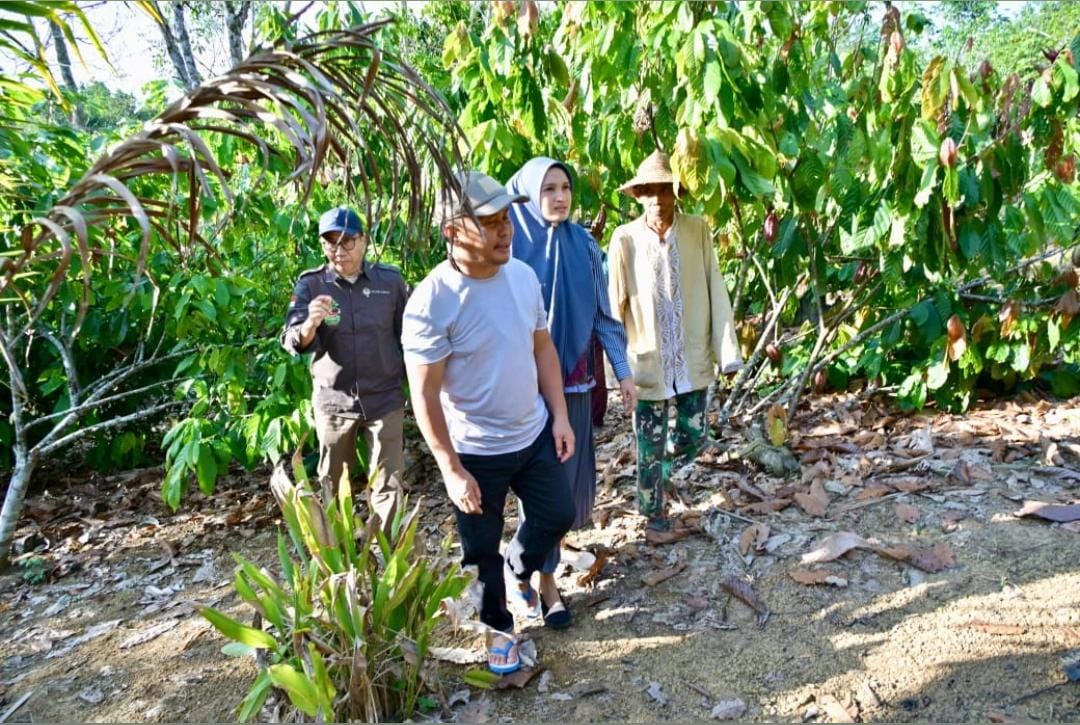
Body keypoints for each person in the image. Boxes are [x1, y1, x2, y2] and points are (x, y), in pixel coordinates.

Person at [402, 171, 576, 674]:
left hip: (533, 432)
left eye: (506, 220)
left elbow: (542, 347)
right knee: (480, 552)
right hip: (476, 451)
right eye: (490, 223)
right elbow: (425, 392)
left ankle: (521, 569)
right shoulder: (432, 301)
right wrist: (450, 467)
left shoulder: (522, 277)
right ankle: (499, 629)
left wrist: (560, 416)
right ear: (453, 230)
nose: (506, 232)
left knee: (557, 514)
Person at [505, 157, 635, 629]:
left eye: (565, 188)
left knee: (573, 492)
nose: (559, 197)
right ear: (525, 195)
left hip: (576, 383)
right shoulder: (509, 245)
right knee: (544, 491)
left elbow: (603, 316)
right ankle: (546, 584)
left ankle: (524, 563)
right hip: (527, 389)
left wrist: (623, 374)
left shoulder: (584, 245)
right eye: (548, 189)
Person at [607, 151, 742, 532]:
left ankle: (658, 466)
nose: (657, 199)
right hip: (646, 359)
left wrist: (726, 350)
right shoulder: (625, 239)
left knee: (693, 434)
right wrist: (616, 372)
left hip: (690, 355)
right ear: (638, 196)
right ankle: (653, 514)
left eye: (664, 190)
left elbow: (716, 287)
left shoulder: (698, 230)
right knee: (647, 441)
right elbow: (613, 305)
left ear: (677, 192)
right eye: (649, 191)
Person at [281, 206, 408, 534]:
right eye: (331, 243)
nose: (340, 251)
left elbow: (409, 337)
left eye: (348, 241)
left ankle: (391, 564)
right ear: (322, 246)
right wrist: (311, 322)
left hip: (384, 401)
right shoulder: (311, 285)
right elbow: (292, 340)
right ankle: (342, 562)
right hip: (335, 404)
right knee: (335, 486)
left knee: (389, 486)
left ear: (364, 241)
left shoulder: (389, 282)